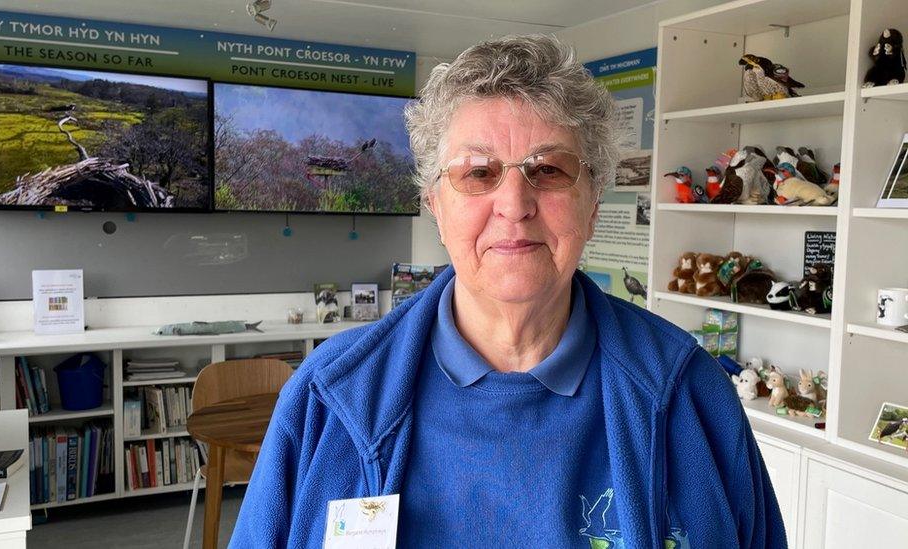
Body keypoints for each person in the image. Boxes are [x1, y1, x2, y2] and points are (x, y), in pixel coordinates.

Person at [230, 34, 786, 548]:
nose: (515, 204)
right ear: (436, 207)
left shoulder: (690, 394)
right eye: (477, 172)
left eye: (547, 170)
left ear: (593, 205)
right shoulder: (327, 398)